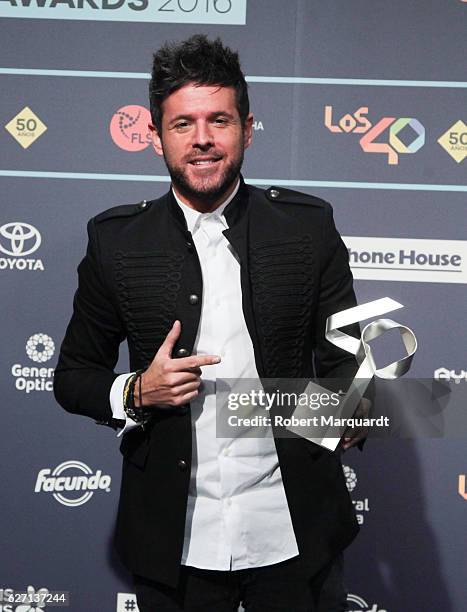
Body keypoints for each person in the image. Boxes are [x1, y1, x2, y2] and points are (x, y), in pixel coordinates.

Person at [54, 34, 369, 612]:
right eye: (183, 124)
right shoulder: (116, 242)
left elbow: (346, 361)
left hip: (295, 535)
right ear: (155, 137)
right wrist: (136, 391)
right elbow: (72, 376)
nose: (202, 139)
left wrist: (351, 409)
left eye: (218, 120)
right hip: (174, 546)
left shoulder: (307, 228)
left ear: (247, 129)